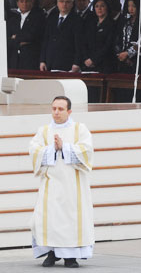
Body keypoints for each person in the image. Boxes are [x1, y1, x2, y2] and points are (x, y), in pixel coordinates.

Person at [28, 96, 94, 268]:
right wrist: (52, 148)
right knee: (48, 218)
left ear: (69, 111)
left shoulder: (80, 129)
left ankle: (70, 257)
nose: (56, 112)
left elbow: (87, 151)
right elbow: (34, 151)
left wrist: (64, 147)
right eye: (54, 109)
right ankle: (52, 253)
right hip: (51, 184)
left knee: (70, 219)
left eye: (60, 109)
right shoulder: (43, 131)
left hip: (73, 185)